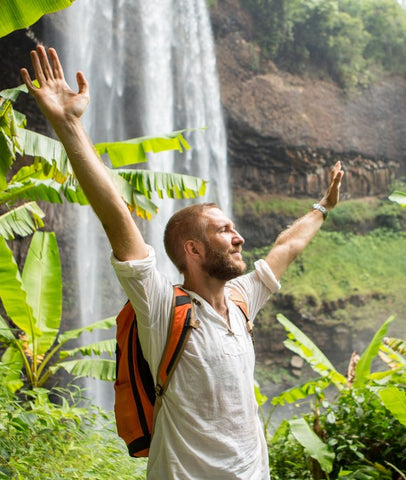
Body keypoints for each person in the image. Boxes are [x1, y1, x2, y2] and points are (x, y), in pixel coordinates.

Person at [21, 45, 343, 480]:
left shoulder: (242, 298)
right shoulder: (161, 309)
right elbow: (117, 215)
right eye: (224, 231)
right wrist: (69, 126)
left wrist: (322, 207)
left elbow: (286, 248)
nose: (239, 237)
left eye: (234, 230)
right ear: (192, 250)